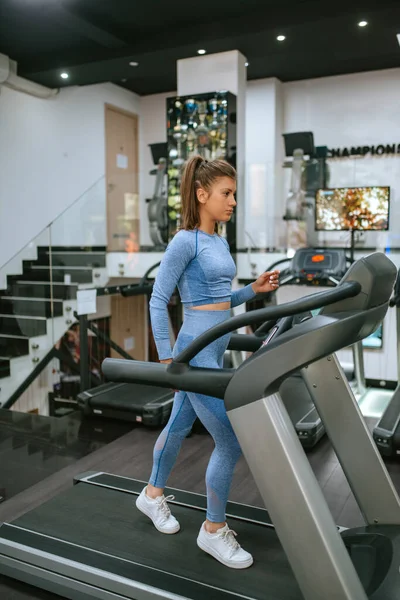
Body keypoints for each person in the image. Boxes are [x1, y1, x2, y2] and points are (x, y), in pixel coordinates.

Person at [136, 156, 280, 569]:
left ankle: (151, 495)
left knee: (179, 423)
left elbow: (218, 301)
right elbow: (159, 299)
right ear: (202, 195)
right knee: (230, 439)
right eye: (226, 193)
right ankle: (213, 530)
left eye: (234, 193)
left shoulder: (218, 241)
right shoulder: (186, 241)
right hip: (193, 351)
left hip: (213, 346)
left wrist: (252, 289)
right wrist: (168, 358)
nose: (233, 201)